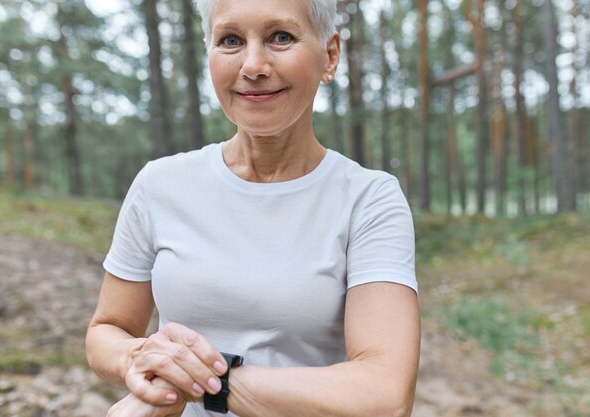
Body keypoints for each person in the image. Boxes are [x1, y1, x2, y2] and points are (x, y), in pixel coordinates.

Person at [85, 0, 420, 416]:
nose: (253, 65)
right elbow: (107, 331)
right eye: (230, 41)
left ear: (330, 55)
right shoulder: (159, 185)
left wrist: (207, 383)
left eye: (281, 37)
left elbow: (385, 396)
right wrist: (138, 359)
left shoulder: (369, 200)